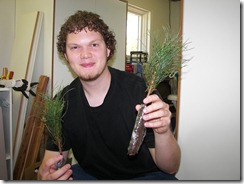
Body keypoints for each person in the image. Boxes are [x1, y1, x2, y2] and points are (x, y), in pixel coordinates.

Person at [38, 10, 181, 180]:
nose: (85, 55)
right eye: (75, 47)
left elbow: (171, 167)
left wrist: (163, 132)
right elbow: (50, 162)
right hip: (91, 176)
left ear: (108, 49)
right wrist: (45, 177)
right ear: (66, 56)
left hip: (145, 176)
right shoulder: (62, 103)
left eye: (94, 45)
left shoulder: (141, 92)